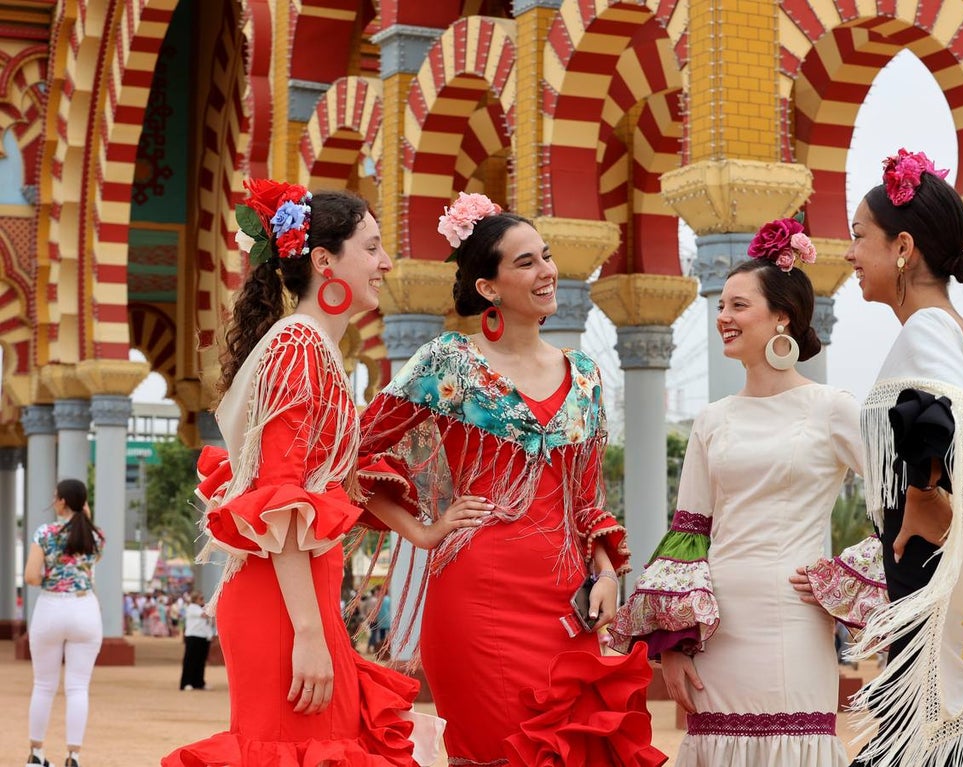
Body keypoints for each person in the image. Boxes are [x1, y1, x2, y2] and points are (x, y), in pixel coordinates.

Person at [357, 193, 665, 767]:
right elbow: (352, 451)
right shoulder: (447, 363)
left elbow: (589, 497)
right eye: (525, 263)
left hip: (566, 605)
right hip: (477, 600)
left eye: (545, 257)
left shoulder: (587, 376)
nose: (547, 272)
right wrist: (423, 531)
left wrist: (605, 571)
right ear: (488, 288)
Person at [162, 181, 440, 767]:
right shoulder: (300, 350)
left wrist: (422, 532)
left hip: (300, 597)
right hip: (286, 605)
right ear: (323, 261)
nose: (385, 262)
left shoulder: (312, 349)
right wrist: (309, 635)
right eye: (370, 247)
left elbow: (324, 487)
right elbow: (280, 498)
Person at [609, 221, 870, 766]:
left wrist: (845, 576)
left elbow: (899, 503)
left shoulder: (833, 408)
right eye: (721, 305)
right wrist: (675, 647)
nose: (722, 317)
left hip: (794, 621)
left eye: (738, 305)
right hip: (717, 628)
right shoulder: (712, 420)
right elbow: (688, 536)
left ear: (783, 317)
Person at [824, 149, 963, 766]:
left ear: (903, 247)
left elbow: (960, 417)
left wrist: (921, 496)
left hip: (925, 572)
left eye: (861, 236)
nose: (850, 252)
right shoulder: (957, 332)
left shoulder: (927, 331)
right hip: (935, 571)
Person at [23, 479, 104, 767]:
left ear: (60, 502)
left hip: (51, 608)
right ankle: (73, 756)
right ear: (83, 504)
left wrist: (55, 578)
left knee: (44, 685)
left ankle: (36, 754)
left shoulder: (45, 532)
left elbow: (31, 576)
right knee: (78, 687)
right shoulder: (96, 537)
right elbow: (86, 530)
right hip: (85, 609)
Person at [179, 591, 213, 691]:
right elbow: (205, 615)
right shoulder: (192, 608)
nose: (203, 600)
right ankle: (187, 682)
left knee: (200, 661)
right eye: (200, 598)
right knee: (190, 661)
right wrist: (214, 606)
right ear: (195, 599)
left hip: (203, 637)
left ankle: (199, 682)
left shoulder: (201, 608)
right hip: (193, 637)